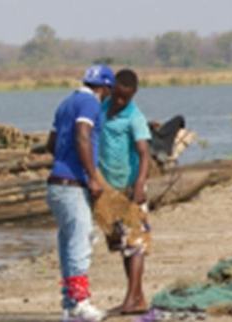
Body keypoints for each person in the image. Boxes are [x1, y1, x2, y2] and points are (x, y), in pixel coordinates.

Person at [45, 64, 114, 322]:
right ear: (105, 87)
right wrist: (92, 176)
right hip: (72, 186)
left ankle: (69, 304)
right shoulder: (90, 104)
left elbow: (51, 143)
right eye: (109, 90)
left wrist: (65, 160)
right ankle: (81, 304)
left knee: (68, 243)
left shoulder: (65, 103)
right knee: (80, 242)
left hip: (56, 184)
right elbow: (83, 135)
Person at [97, 68, 152, 314]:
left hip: (131, 188)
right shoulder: (100, 107)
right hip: (108, 189)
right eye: (117, 96)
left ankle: (132, 299)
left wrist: (140, 184)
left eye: (125, 98)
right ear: (111, 90)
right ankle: (136, 297)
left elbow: (144, 153)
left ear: (133, 95)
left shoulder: (134, 117)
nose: (120, 102)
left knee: (136, 242)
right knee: (123, 245)